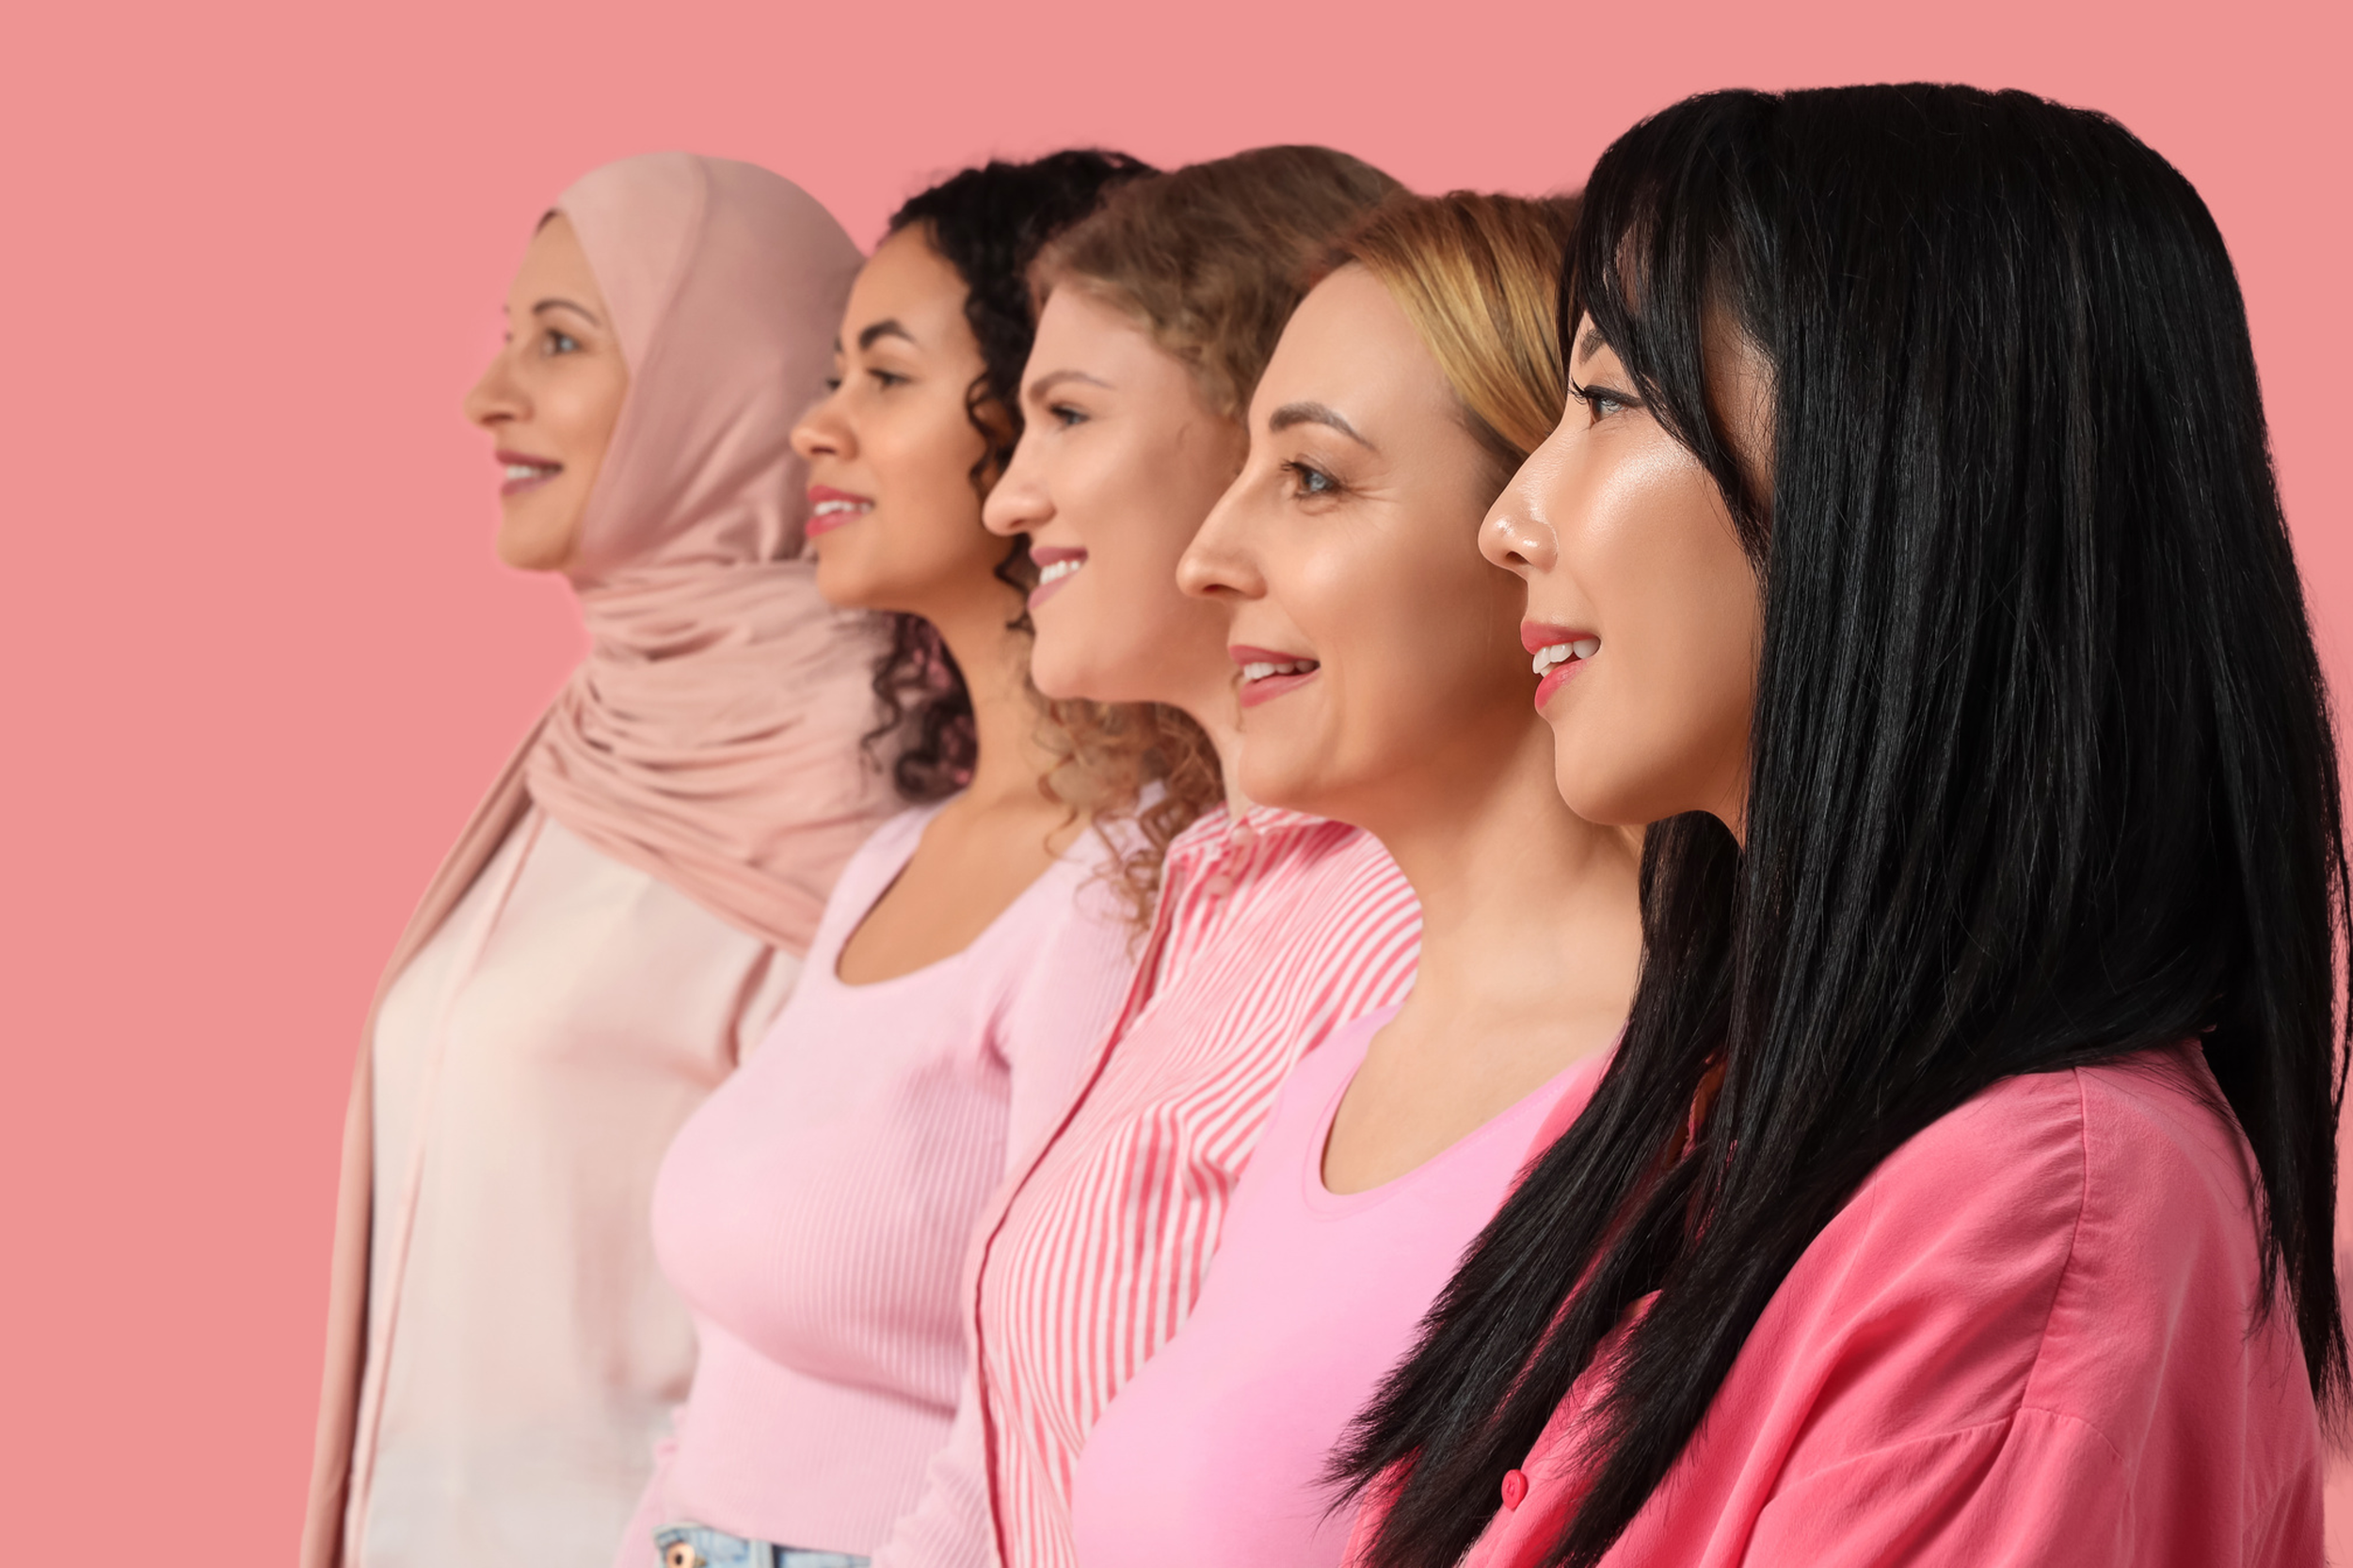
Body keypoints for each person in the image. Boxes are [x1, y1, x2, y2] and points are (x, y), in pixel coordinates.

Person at [1335, 85, 2345, 1568]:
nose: (1514, 519)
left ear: (1898, 460)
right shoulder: (1683, 1116)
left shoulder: (2034, 1214)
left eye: (1606, 401)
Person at [304, 153, 901, 1568]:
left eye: (563, 342)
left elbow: (877, 1322)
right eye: (509, 335)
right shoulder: (585, 750)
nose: (489, 394)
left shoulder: (871, 781)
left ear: (731, 380)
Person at [1064, 191, 1641, 1568]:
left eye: (1313, 479)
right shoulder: (1332, 1076)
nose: (1207, 560)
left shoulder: (1685, 1106)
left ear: (1536, 525)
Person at [618, 152, 1170, 1568]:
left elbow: (1056, 1381)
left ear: (1044, 412)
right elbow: (728, 1381)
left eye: (885, 375)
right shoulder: (890, 861)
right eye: (832, 376)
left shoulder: (1128, 892)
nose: (818, 427)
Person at [921, 145, 1415, 1568]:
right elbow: (1003, 1462)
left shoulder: (1400, 920)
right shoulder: (1207, 882)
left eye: (1069, 416)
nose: (1008, 500)